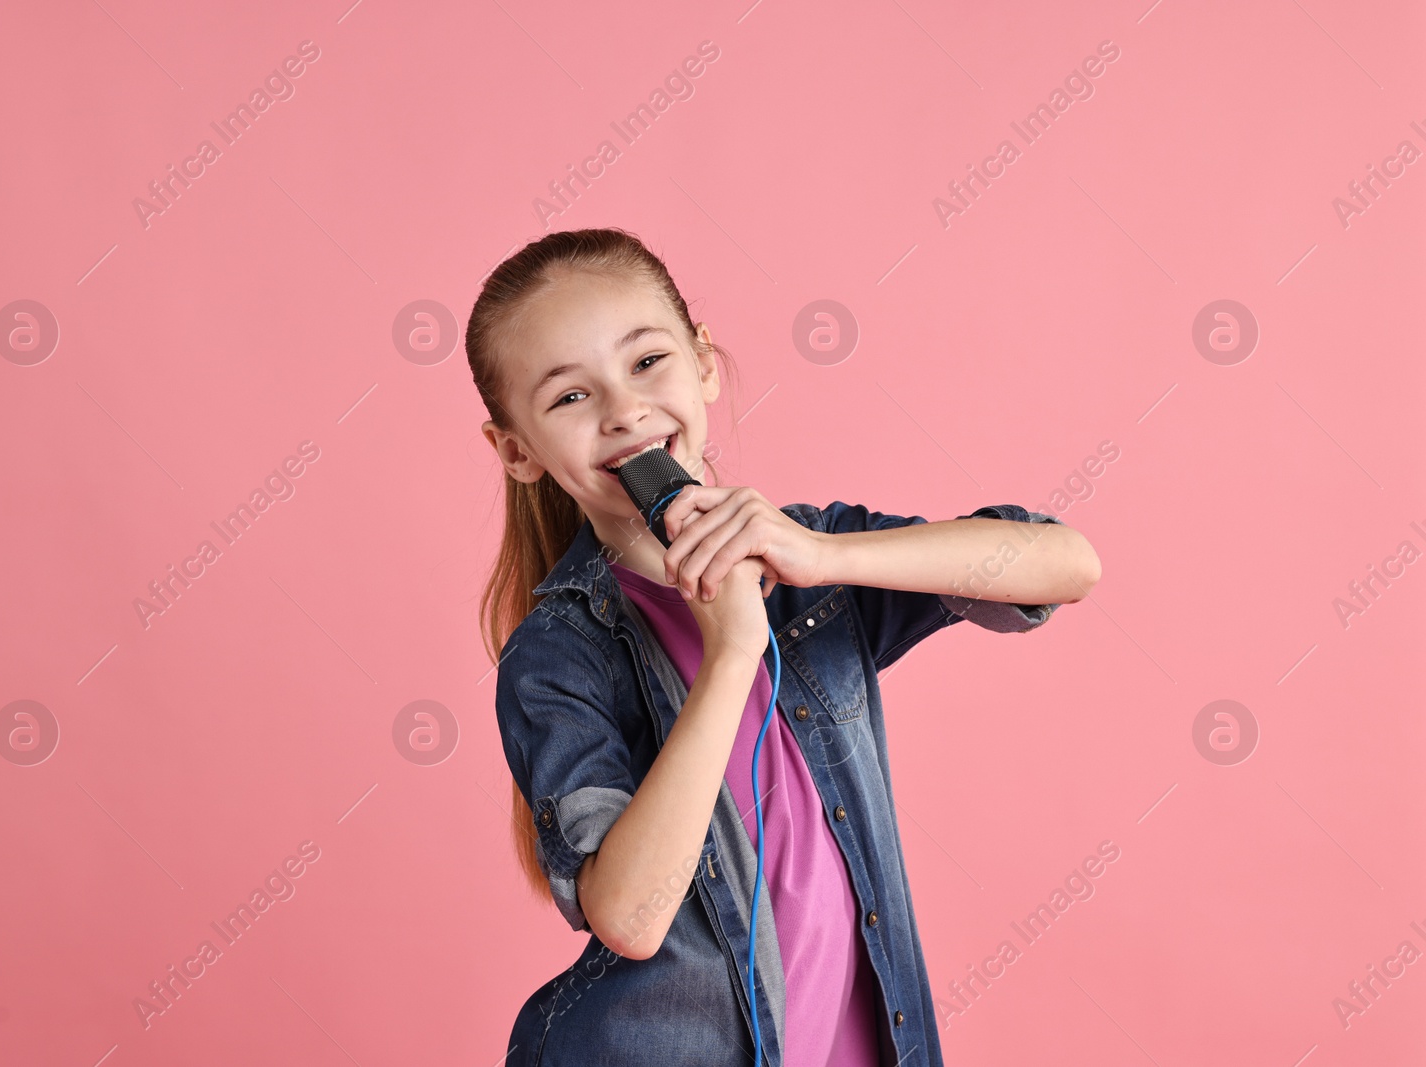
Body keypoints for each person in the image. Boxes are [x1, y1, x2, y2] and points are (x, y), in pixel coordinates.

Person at [470, 228, 1101, 1067]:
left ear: (703, 364)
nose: (624, 410)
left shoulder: (813, 565)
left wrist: (827, 556)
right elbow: (628, 914)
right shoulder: (558, 653)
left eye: (647, 361)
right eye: (569, 398)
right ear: (518, 450)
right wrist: (732, 654)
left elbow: (1063, 564)